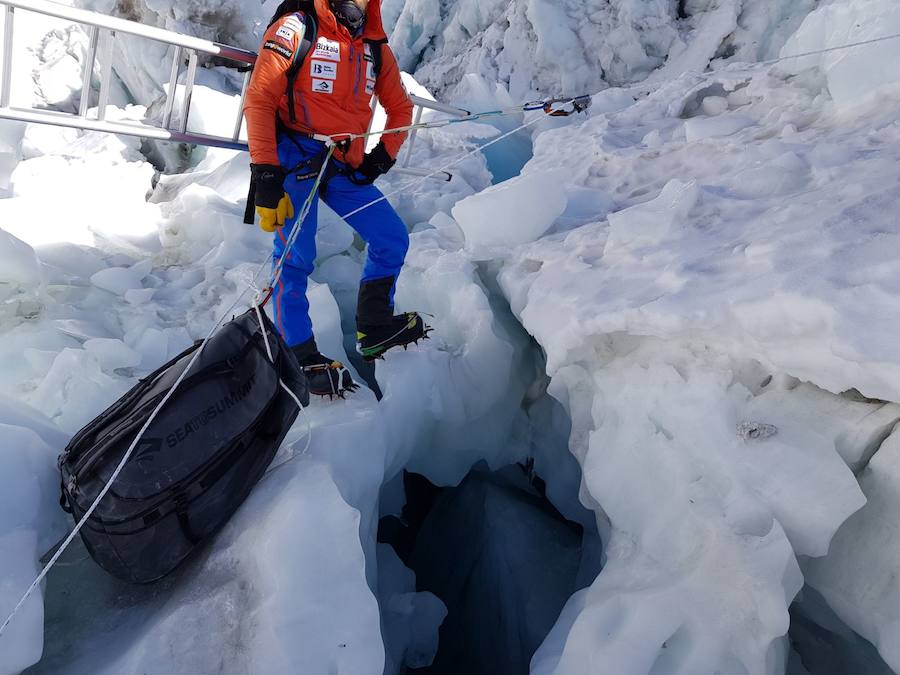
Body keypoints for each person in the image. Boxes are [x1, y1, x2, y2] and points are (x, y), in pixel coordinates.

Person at [244, 0, 429, 398]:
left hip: (343, 164)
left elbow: (400, 107)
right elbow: (259, 99)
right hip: (295, 155)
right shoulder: (297, 27)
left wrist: (381, 157)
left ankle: (375, 327)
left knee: (391, 237)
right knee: (295, 257)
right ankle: (297, 353)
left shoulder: (374, 46)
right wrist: (266, 173)